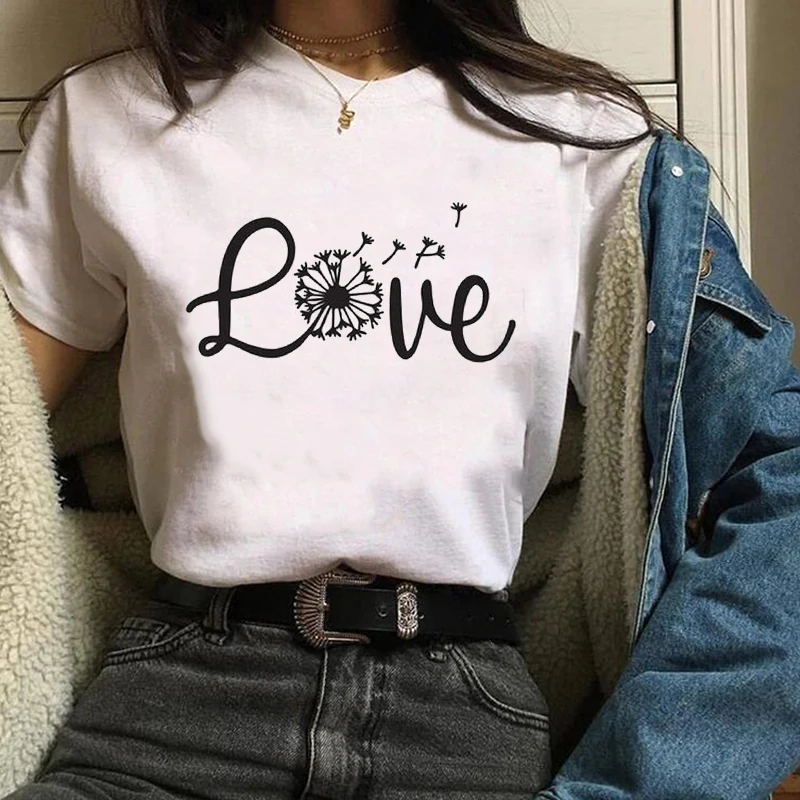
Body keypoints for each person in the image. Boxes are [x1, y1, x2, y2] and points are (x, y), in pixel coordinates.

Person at [2, 1, 799, 799]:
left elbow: (781, 470)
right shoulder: (109, 115)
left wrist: (649, 779)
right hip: (175, 715)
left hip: (456, 724)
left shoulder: (585, 140)